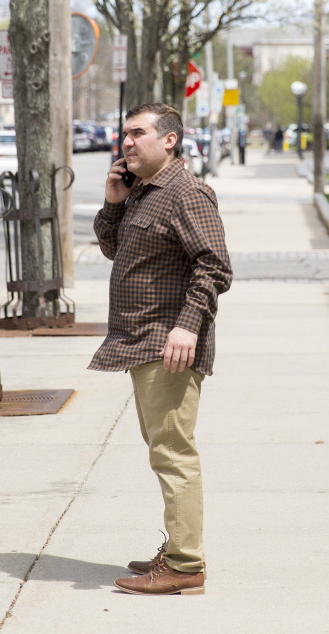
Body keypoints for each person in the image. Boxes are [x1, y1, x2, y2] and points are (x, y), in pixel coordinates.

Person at [90, 102, 233, 596]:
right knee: (164, 451)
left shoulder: (186, 192)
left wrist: (187, 327)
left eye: (138, 134)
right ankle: (177, 549)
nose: (127, 143)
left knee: (173, 454)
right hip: (142, 340)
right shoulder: (143, 193)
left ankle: (185, 565)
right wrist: (113, 202)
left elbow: (215, 266)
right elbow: (116, 250)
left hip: (167, 343)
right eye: (124, 135)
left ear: (169, 139)